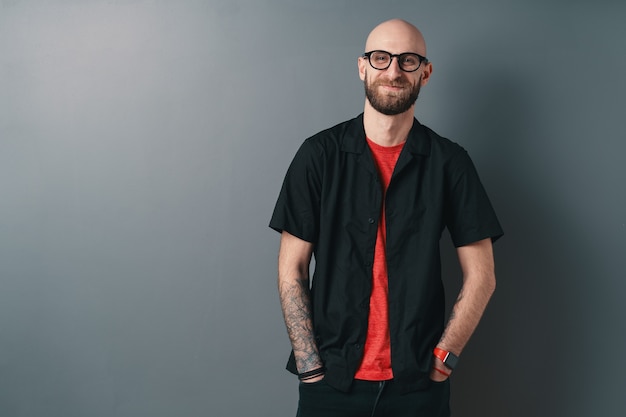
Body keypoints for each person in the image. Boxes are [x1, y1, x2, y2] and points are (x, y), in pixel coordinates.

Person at [269, 19, 503, 417]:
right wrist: (309, 364)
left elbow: (483, 274)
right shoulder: (318, 156)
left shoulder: (450, 163)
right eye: (382, 58)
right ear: (363, 67)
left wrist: (446, 355)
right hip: (332, 384)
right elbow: (292, 267)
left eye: (407, 60)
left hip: (417, 388)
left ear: (425, 73)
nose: (393, 71)